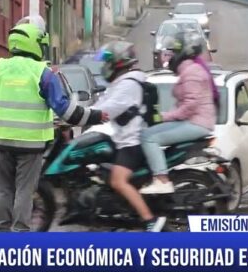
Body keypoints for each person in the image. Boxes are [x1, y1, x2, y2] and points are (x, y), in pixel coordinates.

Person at [0, 17, 105, 232]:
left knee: (3, 188)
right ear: (34, 44)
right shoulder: (43, 74)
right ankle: (20, 233)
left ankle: (1, 231)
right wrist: (96, 116)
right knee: (24, 190)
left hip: (2, 140)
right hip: (30, 144)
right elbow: (65, 110)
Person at [92, 41, 166, 232]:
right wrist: (78, 113)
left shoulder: (128, 85)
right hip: (124, 139)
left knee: (118, 180)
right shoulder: (122, 83)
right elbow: (100, 104)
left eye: (107, 62)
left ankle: (150, 221)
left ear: (118, 62)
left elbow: (107, 109)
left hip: (132, 142)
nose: (104, 66)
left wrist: (84, 116)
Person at [139, 31, 218, 194]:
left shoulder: (192, 73)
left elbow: (189, 106)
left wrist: (164, 117)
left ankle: (161, 179)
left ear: (183, 53)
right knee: (147, 132)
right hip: (195, 121)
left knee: (148, 137)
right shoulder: (189, 71)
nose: (169, 57)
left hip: (197, 123)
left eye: (173, 53)